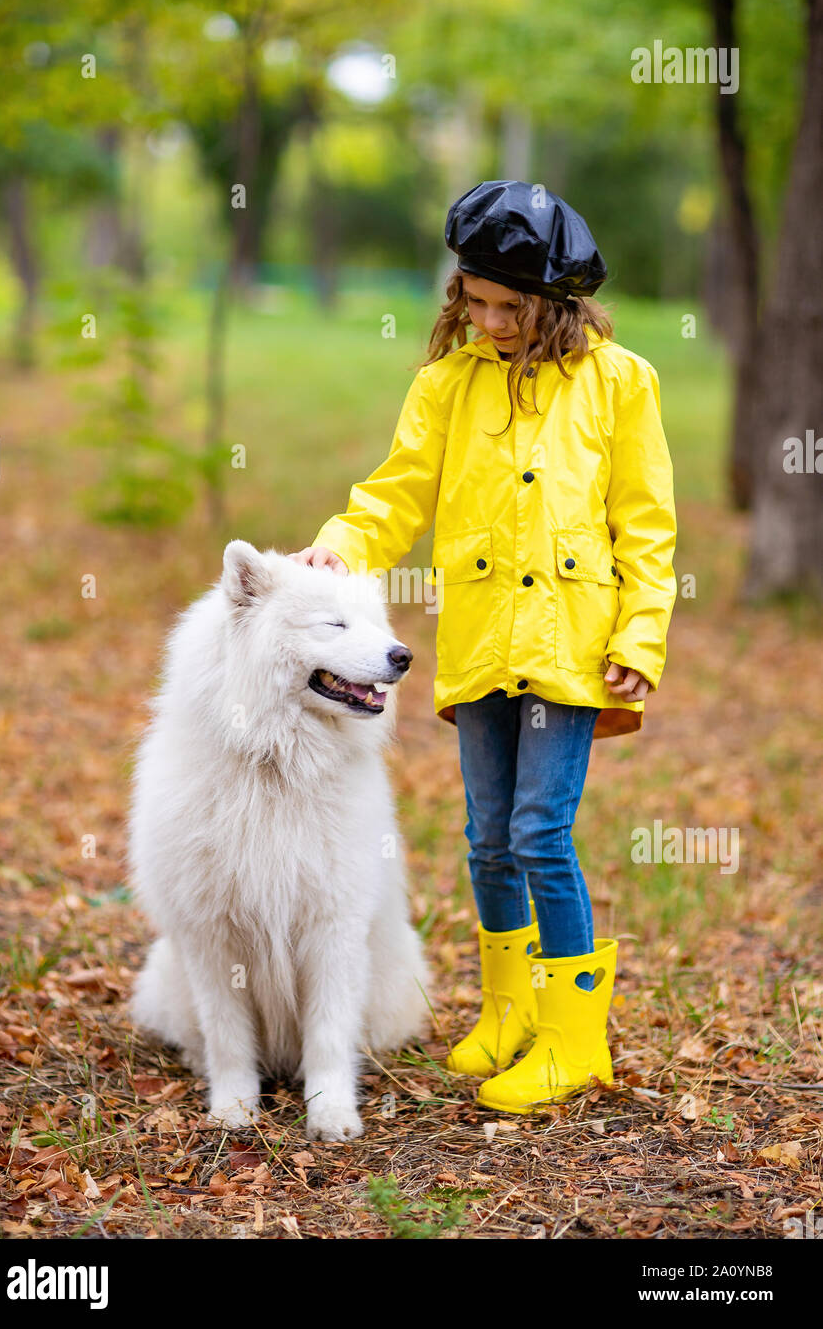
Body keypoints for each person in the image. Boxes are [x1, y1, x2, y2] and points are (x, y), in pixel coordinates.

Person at [288, 180, 677, 1114]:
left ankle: (574, 1038)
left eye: (511, 307)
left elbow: (647, 522)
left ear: (558, 303)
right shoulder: (446, 385)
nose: (490, 321)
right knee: (486, 841)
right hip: (480, 638)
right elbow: (397, 491)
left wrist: (641, 633)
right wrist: (343, 543)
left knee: (541, 832)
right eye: (475, 299)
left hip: (573, 648)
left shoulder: (621, 382)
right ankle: (506, 1011)